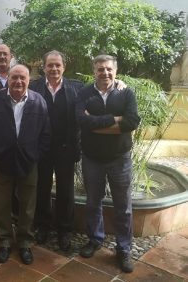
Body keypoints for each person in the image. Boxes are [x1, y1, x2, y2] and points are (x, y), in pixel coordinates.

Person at [75, 55, 140, 273]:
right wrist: (116, 119)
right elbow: (81, 121)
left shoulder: (126, 92)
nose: (105, 73)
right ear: (94, 71)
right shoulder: (84, 93)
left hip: (119, 159)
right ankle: (95, 240)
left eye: (109, 69)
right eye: (100, 69)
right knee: (93, 202)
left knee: (124, 207)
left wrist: (97, 124)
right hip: (92, 159)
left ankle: (123, 248)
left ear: (115, 71)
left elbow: (132, 121)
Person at [0, 64, 51, 265]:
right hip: (2, 160)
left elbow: (46, 134)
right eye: (14, 78)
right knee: (2, 202)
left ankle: (24, 242)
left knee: (28, 204)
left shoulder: (38, 101)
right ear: (8, 80)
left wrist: (36, 155)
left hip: (29, 161)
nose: (18, 82)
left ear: (29, 80)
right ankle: (4, 240)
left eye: (22, 78)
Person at [29, 50, 83, 250]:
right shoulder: (33, 87)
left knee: (65, 191)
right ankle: (43, 225)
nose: (53, 69)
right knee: (41, 189)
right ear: (43, 68)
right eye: (50, 65)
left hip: (65, 149)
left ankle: (64, 230)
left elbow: (97, 92)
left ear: (64, 67)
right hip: (42, 150)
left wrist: (119, 85)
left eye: (57, 65)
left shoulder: (76, 89)